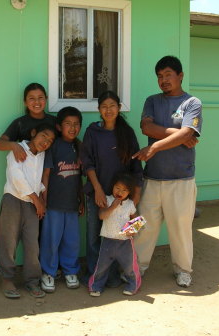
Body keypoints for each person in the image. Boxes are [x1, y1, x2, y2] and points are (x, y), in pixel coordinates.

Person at [132, 55, 203, 288]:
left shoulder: (192, 103)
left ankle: (183, 270)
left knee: (181, 230)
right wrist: (180, 134)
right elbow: (146, 127)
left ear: (180, 76)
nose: (163, 80)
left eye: (168, 75)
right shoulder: (152, 100)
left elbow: (186, 134)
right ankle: (137, 267)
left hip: (181, 179)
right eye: (160, 76)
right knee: (144, 227)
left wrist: (155, 145)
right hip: (152, 178)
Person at [80, 90, 143, 286]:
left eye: (112, 106)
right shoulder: (93, 131)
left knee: (123, 237)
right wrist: (98, 189)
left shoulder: (127, 133)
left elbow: (136, 168)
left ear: (119, 108)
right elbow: (87, 163)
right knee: (94, 237)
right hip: (98, 195)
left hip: (122, 199)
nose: (108, 110)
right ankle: (96, 275)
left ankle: (121, 274)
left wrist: (134, 199)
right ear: (99, 109)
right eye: (104, 106)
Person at [0, 123, 57, 299]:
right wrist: (37, 200)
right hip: (13, 200)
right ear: (33, 132)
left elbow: (37, 179)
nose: (46, 142)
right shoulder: (18, 149)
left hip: (32, 205)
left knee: (32, 245)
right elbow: (17, 177)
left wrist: (41, 198)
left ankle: (32, 281)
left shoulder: (42, 154)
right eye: (43, 136)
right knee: (8, 242)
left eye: (50, 140)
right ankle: (7, 279)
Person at [39, 106, 84, 293]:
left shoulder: (80, 146)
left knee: (72, 240)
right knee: (51, 239)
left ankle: (70, 271)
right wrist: (44, 200)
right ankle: (48, 272)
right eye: (68, 124)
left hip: (72, 204)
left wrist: (81, 199)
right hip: (54, 205)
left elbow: (81, 176)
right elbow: (46, 175)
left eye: (76, 124)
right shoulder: (54, 146)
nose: (72, 128)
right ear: (59, 126)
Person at [88, 173, 142, 297]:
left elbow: (136, 220)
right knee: (101, 267)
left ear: (129, 192)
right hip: (108, 241)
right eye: (117, 188)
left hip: (125, 243)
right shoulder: (107, 200)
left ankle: (133, 285)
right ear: (112, 187)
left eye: (124, 190)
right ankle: (96, 286)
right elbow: (101, 216)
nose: (120, 192)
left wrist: (133, 230)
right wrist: (112, 207)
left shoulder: (130, 204)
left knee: (129, 267)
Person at [0, 82, 56, 162]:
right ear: (25, 102)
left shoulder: (54, 121)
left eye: (40, 97)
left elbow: (68, 138)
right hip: (28, 170)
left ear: (46, 99)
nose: (37, 102)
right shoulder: (20, 123)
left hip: (51, 170)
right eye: (31, 98)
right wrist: (14, 145)